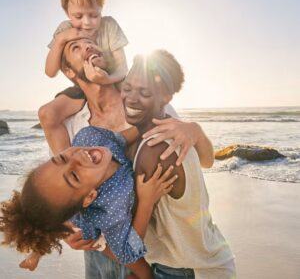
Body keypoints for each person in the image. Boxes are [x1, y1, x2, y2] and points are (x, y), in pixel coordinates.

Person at [39, 37, 215, 278]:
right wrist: (67, 229)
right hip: (100, 250)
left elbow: (202, 162)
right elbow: (60, 189)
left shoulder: (143, 103)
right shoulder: (76, 124)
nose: (88, 47)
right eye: (76, 47)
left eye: (91, 42)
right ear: (68, 71)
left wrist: (194, 129)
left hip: (149, 249)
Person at [0, 126, 176, 278]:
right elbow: (128, 252)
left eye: (61, 158)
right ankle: (37, 251)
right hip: (91, 228)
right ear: (91, 196)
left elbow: (120, 138)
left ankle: (36, 253)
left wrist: (146, 125)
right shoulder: (111, 209)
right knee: (143, 271)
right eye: (74, 176)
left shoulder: (88, 136)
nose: (78, 157)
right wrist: (146, 200)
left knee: (57, 220)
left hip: (74, 206)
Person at [119, 50, 236, 278]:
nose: (131, 98)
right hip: (207, 257)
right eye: (127, 88)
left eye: (143, 92)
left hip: (187, 269)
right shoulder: (171, 126)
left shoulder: (155, 150)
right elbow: (208, 161)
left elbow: (132, 241)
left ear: (166, 98)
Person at [39, 0, 129, 155]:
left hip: (114, 80)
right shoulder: (64, 30)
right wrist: (61, 40)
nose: (87, 23)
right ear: (67, 13)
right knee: (47, 113)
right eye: (78, 16)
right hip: (84, 86)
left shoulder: (109, 25)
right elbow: (50, 72)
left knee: (138, 98)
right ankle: (66, 164)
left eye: (94, 15)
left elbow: (123, 68)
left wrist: (107, 79)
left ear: (101, 10)